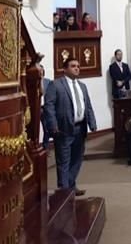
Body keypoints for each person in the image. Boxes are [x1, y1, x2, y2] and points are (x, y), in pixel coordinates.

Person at [43, 58, 97, 195]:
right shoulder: (55, 85)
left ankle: (70, 186)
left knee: (77, 159)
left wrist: (92, 123)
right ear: (65, 69)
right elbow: (49, 106)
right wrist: (52, 125)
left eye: (78, 66)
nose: (77, 68)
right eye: (73, 66)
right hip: (64, 129)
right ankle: (64, 192)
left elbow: (87, 106)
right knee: (63, 161)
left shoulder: (82, 86)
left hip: (80, 128)